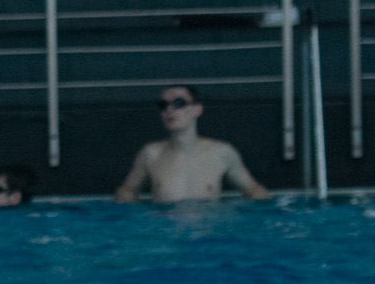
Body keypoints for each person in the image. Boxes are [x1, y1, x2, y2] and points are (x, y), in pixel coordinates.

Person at [114, 86, 271, 204]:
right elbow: (127, 192)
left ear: (197, 110)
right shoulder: (150, 154)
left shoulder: (222, 153)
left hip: (208, 235)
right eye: (163, 105)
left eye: (179, 103)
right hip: (165, 233)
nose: (169, 109)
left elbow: (254, 190)